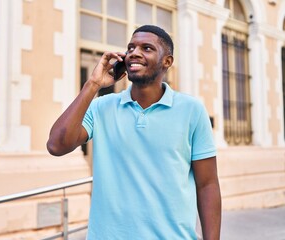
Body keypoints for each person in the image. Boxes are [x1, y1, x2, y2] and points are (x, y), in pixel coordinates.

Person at [47, 25, 221, 239]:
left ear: (167, 61)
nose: (134, 53)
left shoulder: (192, 110)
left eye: (147, 48)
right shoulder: (102, 107)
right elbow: (56, 145)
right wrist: (92, 85)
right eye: (130, 48)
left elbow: (208, 185)